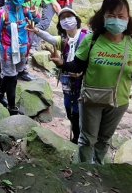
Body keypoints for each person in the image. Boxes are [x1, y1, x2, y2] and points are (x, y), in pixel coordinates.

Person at [54, 0, 132, 164]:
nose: (116, 20)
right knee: (86, 139)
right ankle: (84, 171)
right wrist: (62, 63)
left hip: (118, 102)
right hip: (91, 99)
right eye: (111, 15)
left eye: (121, 16)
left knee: (104, 139)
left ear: (128, 19)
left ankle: (98, 170)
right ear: (103, 16)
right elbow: (77, 65)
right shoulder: (92, 40)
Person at [31, 8, 90, 143]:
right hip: (67, 80)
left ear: (76, 19)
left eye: (69, 16)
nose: (66, 20)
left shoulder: (86, 37)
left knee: (78, 110)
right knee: (69, 108)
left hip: (83, 80)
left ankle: (79, 137)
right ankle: (77, 133)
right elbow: (50, 38)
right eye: (63, 18)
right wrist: (37, 31)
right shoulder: (63, 40)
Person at [0, 0, 39, 115]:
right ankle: (12, 107)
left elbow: (36, 20)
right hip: (7, 51)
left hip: (23, 50)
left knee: (11, 74)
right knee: (12, 77)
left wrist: (35, 14)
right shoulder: (3, 12)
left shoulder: (25, 11)